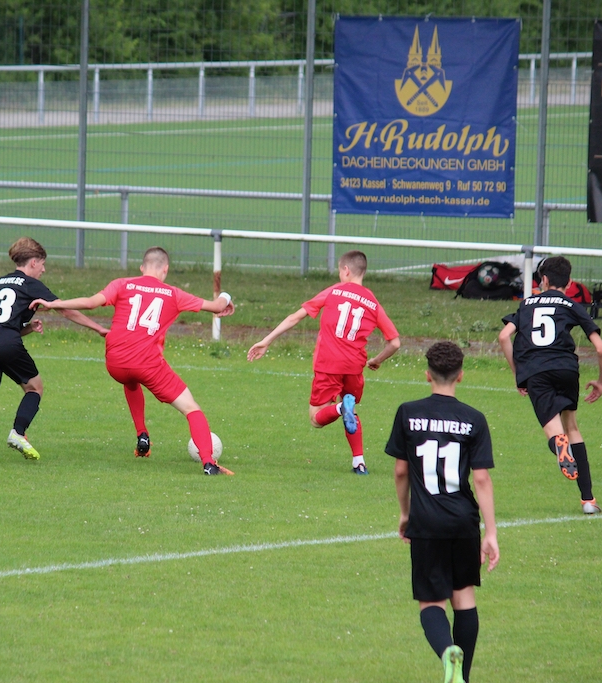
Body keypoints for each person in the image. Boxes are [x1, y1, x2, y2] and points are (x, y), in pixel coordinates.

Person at [30, 246, 236, 475]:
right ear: (165, 269)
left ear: (142, 268)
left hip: (115, 362)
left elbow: (90, 302)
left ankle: (142, 435)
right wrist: (227, 296)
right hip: (147, 364)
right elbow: (217, 307)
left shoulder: (122, 284)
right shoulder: (174, 294)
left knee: (130, 381)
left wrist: (54, 304)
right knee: (191, 408)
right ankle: (209, 463)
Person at [386, 341, 498, 683]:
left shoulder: (408, 413)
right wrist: (491, 532)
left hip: (426, 521)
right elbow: (481, 478)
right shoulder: (474, 419)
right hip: (463, 521)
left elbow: (401, 472)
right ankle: (462, 677)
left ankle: (448, 651)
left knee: (431, 603)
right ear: (461, 376)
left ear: (427, 375)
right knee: (464, 597)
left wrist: (405, 514)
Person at [247, 250, 400, 474]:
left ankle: (341, 407)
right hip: (354, 366)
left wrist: (266, 341)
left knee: (316, 419)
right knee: (350, 409)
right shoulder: (373, 302)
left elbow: (295, 317)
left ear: (346, 270)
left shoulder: (333, 291)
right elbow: (395, 343)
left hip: (328, 364)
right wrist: (377, 360)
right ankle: (359, 462)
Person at [0, 237, 108, 469]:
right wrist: (98, 328)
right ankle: (18, 433)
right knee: (35, 388)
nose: (44, 269)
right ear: (33, 262)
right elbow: (65, 310)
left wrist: (28, 328)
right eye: (42, 264)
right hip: (5, 340)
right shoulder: (30, 284)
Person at [498, 255, 602, 514]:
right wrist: (601, 382)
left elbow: (504, 336)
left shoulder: (527, 304)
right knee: (573, 428)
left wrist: (519, 374)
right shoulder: (571, 304)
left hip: (537, 372)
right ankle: (588, 500)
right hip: (567, 369)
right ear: (569, 282)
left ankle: (560, 446)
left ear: (544, 280)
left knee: (557, 435)